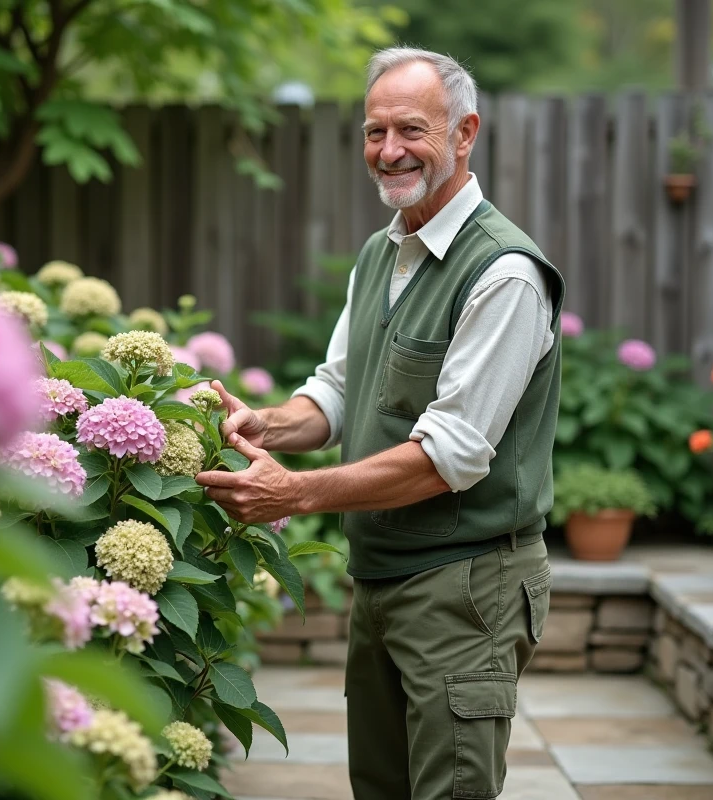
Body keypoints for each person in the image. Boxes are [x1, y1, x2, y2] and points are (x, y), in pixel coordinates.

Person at [194, 46, 563, 800]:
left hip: (466, 589)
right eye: (373, 132)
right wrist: (267, 424)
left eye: (410, 130)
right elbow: (338, 390)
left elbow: (448, 458)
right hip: (383, 583)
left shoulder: (504, 274)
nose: (388, 151)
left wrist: (294, 494)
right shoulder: (379, 254)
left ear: (465, 134)